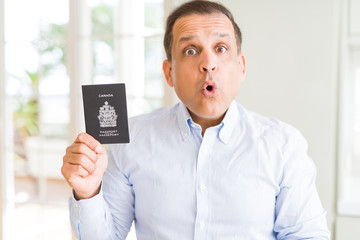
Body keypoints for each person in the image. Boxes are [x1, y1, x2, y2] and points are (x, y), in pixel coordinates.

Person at [61, 1, 331, 239]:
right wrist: (88, 192)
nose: (208, 63)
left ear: (241, 66)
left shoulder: (284, 145)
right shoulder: (130, 140)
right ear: (169, 73)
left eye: (221, 48)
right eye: (191, 50)